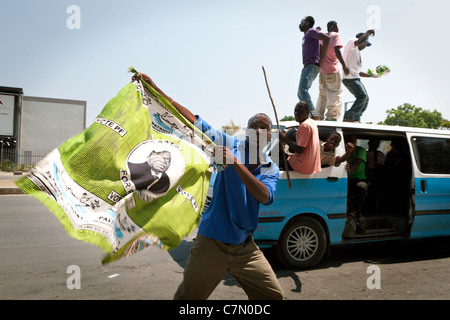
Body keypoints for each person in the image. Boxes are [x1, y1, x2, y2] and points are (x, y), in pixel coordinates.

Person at [134, 73, 284, 300]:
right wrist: (155, 89)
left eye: (264, 128)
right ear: (247, 131)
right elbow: (193, 122)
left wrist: (235, 164)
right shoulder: (230, 144)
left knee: (273, 297)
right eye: (254, 126)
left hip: (245, 248)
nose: (259, 131)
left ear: (270, 135)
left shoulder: (270, 168)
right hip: (210, 244)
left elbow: (264, 196)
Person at [297, 16, 330, 120]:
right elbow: (317, 42)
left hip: (311, 65)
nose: (300, 23)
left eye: (302, 21)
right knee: (300, 92)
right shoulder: (308, 34)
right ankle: (311, 114)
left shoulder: (311, 31)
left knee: (302, 90)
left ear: (307, 23)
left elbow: (326, 38)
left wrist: (322, 58)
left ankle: (314, 115)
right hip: (308, 65)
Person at [342, 30, 378, 123]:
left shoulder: (357, 53)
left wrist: (371, 76)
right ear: (362, 40)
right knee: (362, 96)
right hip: (349, 79)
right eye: (365, 44)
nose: (365, 47)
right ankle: (349, 117)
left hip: (354, 78)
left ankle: (356, 118)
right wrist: (368, 32)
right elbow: (358, 41)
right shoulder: (352, 43)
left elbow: (358, 72)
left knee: (366, 98)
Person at [316, 21, 349, 121]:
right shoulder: (335, 35)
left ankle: (318, 117)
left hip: (322, 72)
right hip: (332, 71)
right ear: (334, 26)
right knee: (335, 95)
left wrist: (317, 31)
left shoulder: (322, 37)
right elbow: (336, 49)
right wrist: (344, 65)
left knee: (323, 96)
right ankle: (331, 118)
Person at [279, 101, 321, 175]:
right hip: (311, 166)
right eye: (295, 111)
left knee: (273, 165)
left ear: (307, 112)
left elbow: (299, 150)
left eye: (300, 111)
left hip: (303, 165)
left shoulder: (304, 125)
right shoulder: (311, 123)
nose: (296, 114)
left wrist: (284, 138)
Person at [345, 134, 368, 231]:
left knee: (361, 187)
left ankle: (359, 212)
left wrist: (348, 170)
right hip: (345, 179)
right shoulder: (341, 150)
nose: (350, 140)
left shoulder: (361, 150)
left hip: (358, 178)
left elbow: (357, 164)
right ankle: (353, 210)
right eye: (348, 138)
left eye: (352, 138)